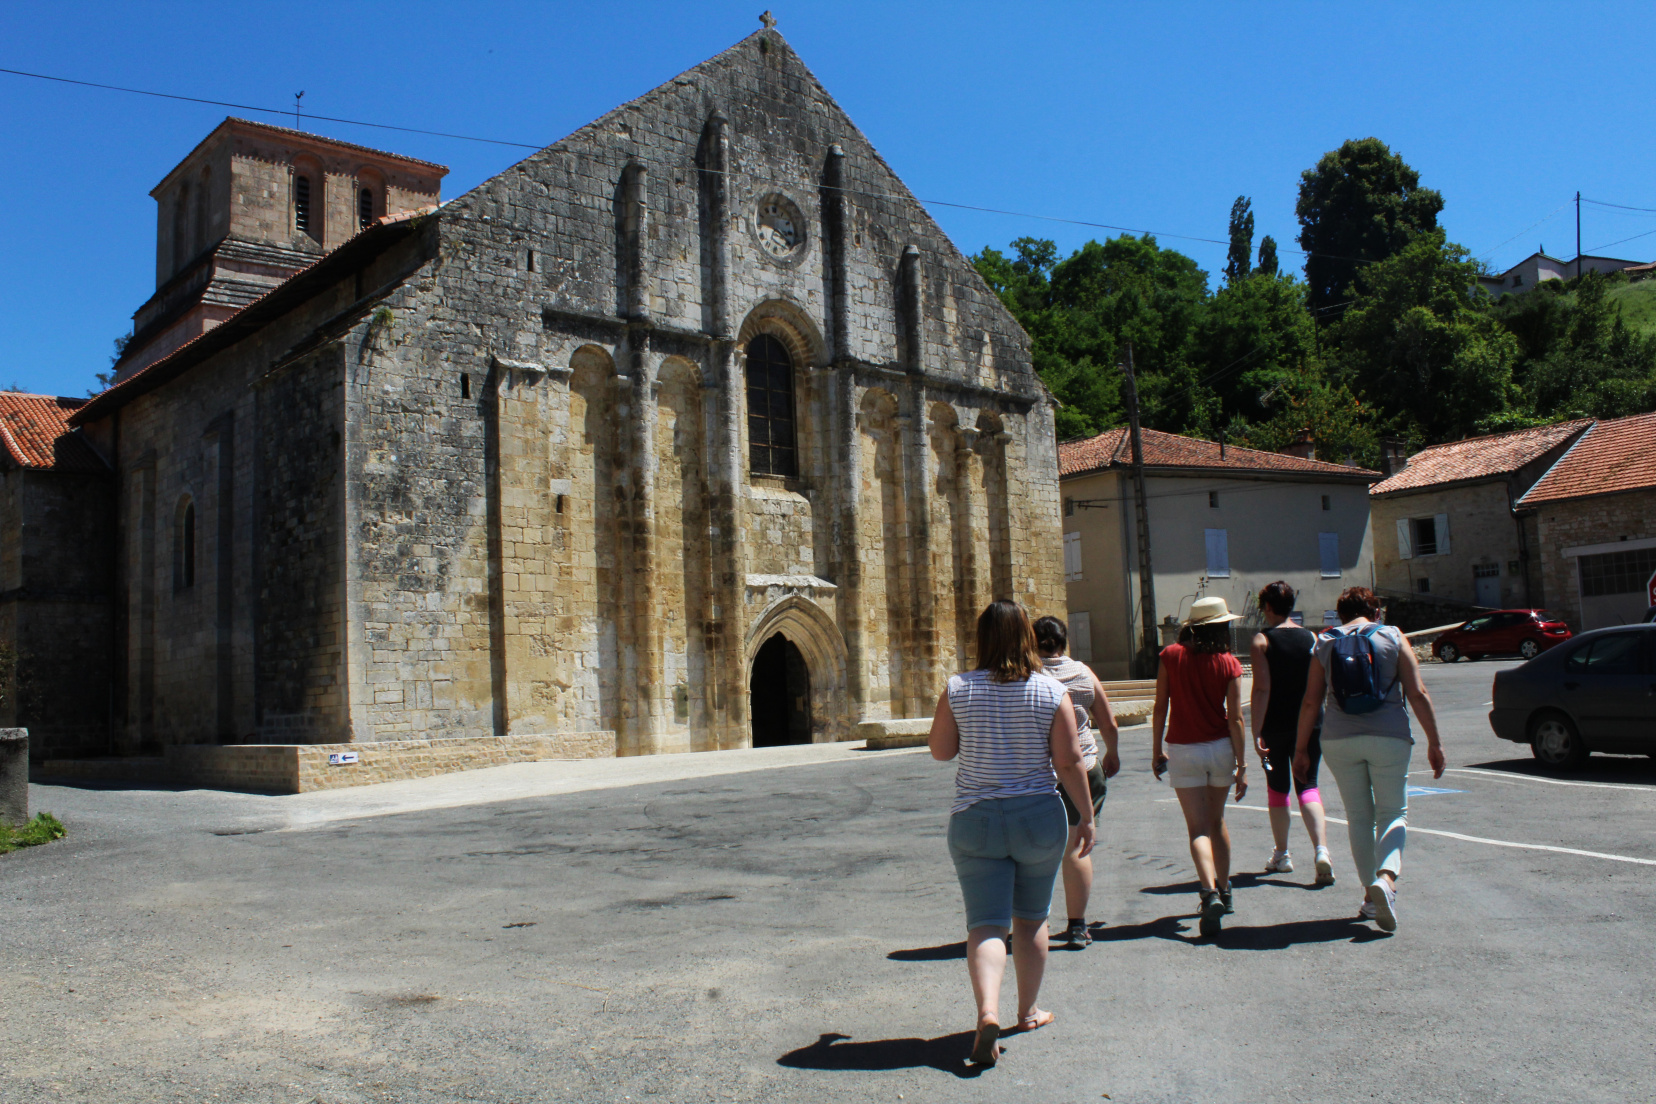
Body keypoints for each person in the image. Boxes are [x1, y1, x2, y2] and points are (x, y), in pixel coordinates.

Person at [928, 600, 1095, 1068]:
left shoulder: (958, 688)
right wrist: (1086, 816)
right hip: (1037, 816)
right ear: (1027, 637)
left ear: (982, 638)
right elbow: (1069, 762)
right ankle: (1027, 1011)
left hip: (976, 816)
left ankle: (987, 1012)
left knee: (986, 923)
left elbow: (941, 751)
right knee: (1032, 918)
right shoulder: (1051, 690)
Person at [1295, 587, 1446, 932]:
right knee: (1392, 812)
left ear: (1340, 615)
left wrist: (1301, 750)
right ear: (1376, 612)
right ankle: (1386, 879)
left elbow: (1311, 701)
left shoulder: (1325, 641)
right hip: (1389, 736)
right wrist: (1434, 742)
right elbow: (1417, 692)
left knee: (1359, 817)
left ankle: (1369, 897)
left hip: (1338, 739)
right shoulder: (1391, 636)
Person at [1151, 596, 1247, 937]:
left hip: (1183, 748)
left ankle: (1208, 893)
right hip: (1220, 747)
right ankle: (1225, 889)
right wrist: (1242, 765)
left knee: (1197, 829)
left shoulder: (1170, 656)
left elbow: (1160, 706)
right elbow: (1236, 718)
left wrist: (1156, 750)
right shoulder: (1229, 662)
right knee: (1217, 820)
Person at [1033, 616, 1121, 949]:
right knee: (1077, 847)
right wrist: (1112, 753)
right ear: (1064, 641)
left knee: (1037, 852)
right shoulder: (1083, 672)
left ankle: (1034, 923)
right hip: (1085, 766)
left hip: (1042, 771)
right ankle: (1077, 927)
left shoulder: (1031, 676)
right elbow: (1108, 723)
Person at [1247, 581, 1335, 885]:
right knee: (1308, 785)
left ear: (1268, 607)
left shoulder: (1262, 641)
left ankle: (1282, 855)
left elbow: (1261, 689)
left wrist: (1256, 730)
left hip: (1274, 726)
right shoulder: (1311, 637)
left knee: (1277, 788)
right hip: (1310, 724)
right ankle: (1321, 850)